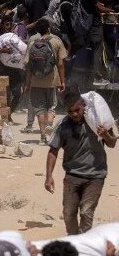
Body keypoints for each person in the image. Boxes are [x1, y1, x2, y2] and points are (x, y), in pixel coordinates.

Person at [46, 90, 116, 234]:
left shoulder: (98, 121)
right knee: (68, 214)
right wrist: (48, 176)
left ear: (84, 105)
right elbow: (53, 150)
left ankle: (85, 244)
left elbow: (112, 143)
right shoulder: (63, 125)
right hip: (72, 176)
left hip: (95, 176)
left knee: (86, 212)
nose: (75, 114)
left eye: (77, 110)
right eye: (70, 111)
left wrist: (105, 135)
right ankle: (75, 240)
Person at [26, 19, 69, 144]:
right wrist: (62, 81)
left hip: (35, 81)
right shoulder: (56, 41)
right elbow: (60, 64)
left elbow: (28, 66)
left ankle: (42, 137)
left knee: (40, 110)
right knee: (51, 107)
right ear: (49, 28)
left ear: (37, 30)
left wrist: (27, 83)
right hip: (52, 81)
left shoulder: (32, 43)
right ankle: (49, 126)